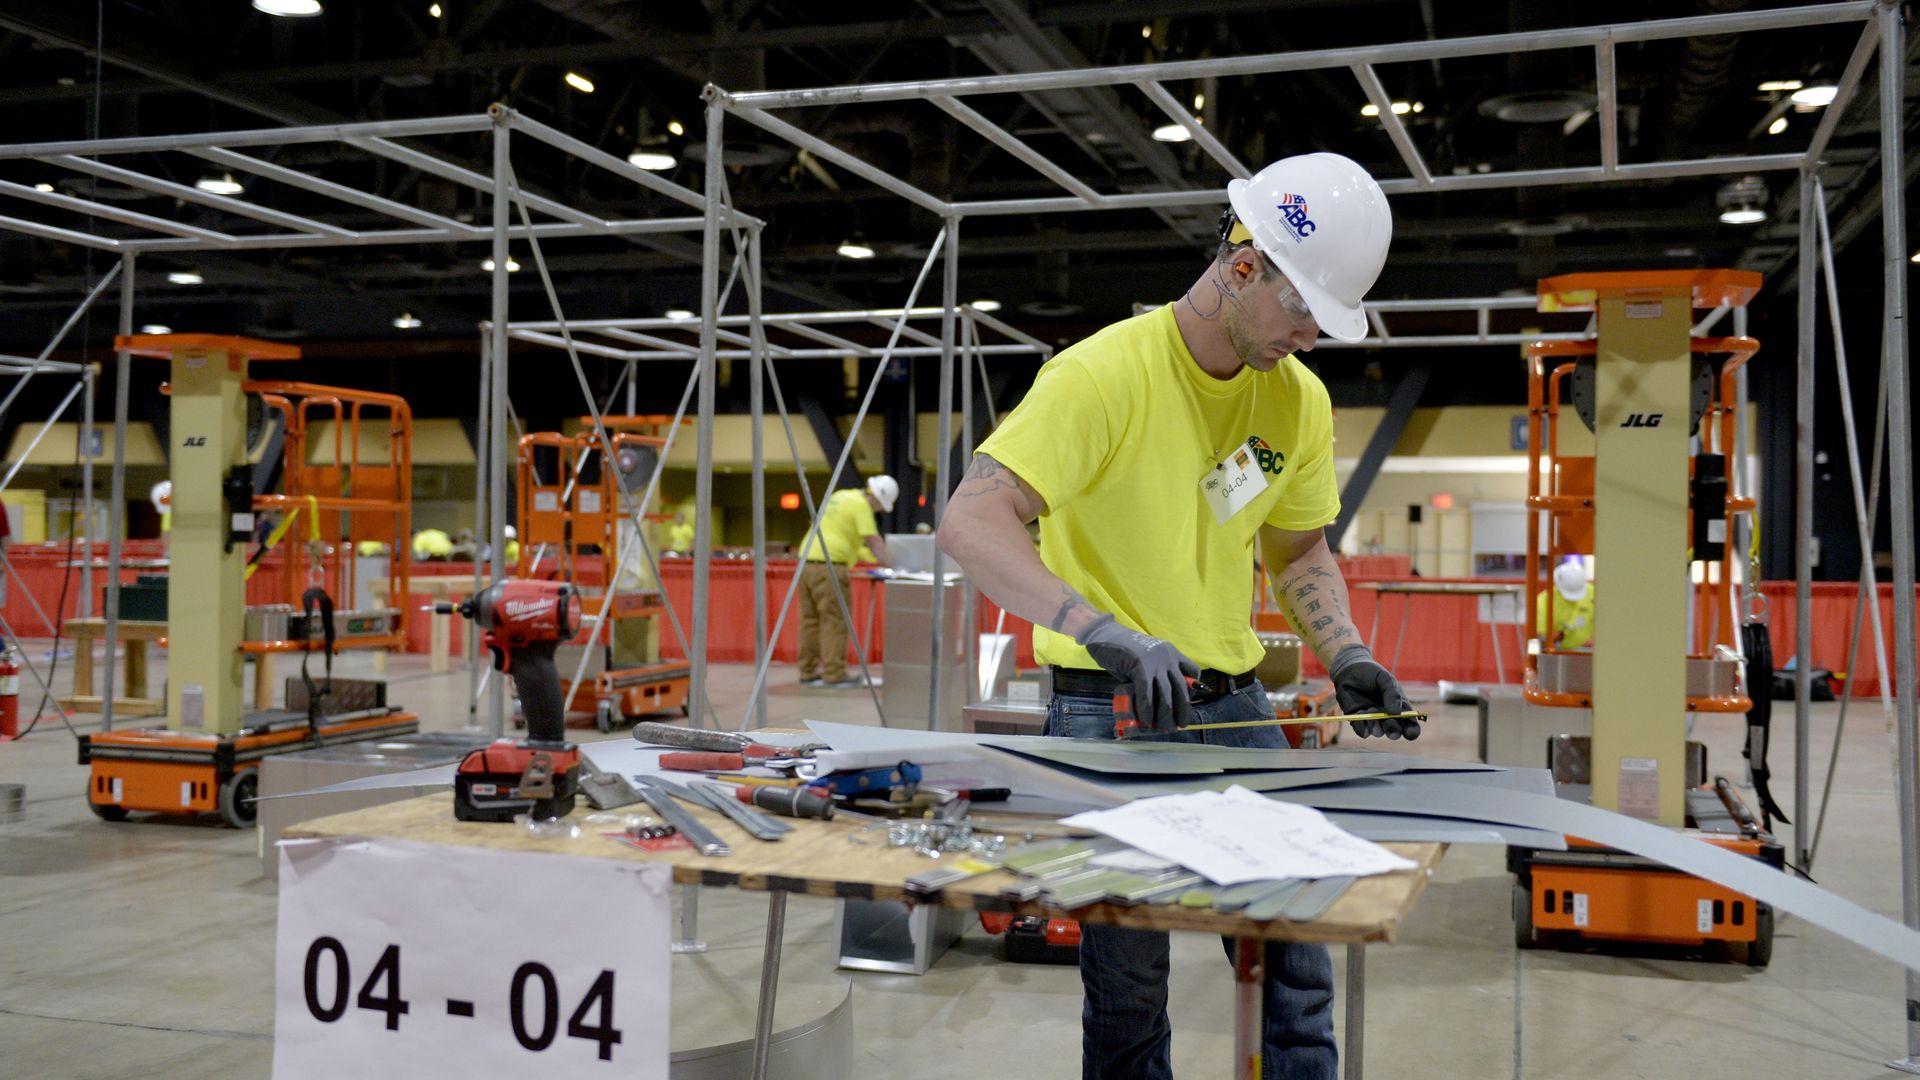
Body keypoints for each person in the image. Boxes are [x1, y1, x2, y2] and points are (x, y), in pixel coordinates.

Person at [937, 152, 1411, 1080]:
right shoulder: (1101, 376)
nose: (1311, 336)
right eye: (1303, 309)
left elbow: (1298, 552)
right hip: (1111, 707)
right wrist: (1101, 629)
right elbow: (970, 518)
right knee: (1127, 977)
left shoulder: (1297, 399)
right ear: (1242, 267)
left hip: (1235, 704)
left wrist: (1348, 655)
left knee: (1294, 942)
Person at [797, 474, 896, 688]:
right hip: (830, 567)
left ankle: (807, 671)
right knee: (834, 620)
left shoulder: (841, 496)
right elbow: (873, 541)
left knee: (810, 621)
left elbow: (850, 542)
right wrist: (892, 565)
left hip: (806, 562)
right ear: (876, 498)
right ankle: (834, 673)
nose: (878, 511)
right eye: (880, 507)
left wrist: (872, 560)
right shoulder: (861, 506)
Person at [1536, 558, 1594, 649]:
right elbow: (1540, 637)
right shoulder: (1543, 601)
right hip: (1560, 654)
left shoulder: (1594, 594)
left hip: (1591, 653)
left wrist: (1597, 640)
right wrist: (1553, 637)